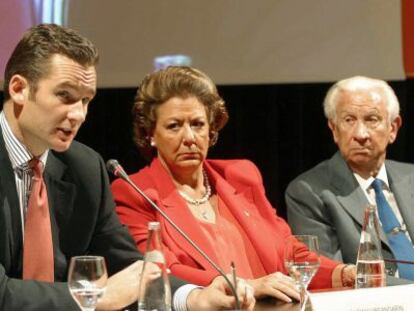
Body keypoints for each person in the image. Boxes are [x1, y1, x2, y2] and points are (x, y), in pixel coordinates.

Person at [0, 23, 254, 310]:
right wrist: (95, 299)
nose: (79, 114)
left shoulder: (85, 168)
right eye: (65, 96)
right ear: (19, 89)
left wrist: (195, 297)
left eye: (86, 100)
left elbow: (128, 268)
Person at [112, 66, 356, 304]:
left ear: (211, 129)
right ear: (151, 134)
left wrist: (343, 274)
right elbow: (161, 271)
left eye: (197, 124)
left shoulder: (240, 175)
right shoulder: (134, 192)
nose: (189, 138)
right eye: (174, 126)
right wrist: (246, 286)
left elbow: (288, 253)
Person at [286, 76, 414, 280]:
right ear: (334, 129)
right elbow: (330, 274)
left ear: (393, 128)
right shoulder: (308, 192)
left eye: (372, 119)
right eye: (349, 120)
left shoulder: (411, 176)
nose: (360, 134)